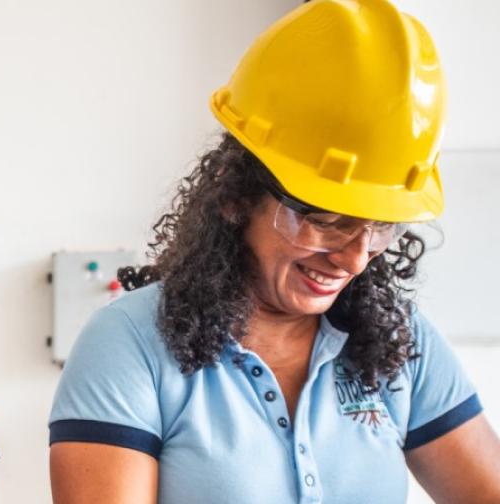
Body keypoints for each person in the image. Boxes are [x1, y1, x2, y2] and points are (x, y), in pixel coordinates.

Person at [48, 0, 500, 502]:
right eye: (327, 222)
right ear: (236, 195)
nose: (353, 259)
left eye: (379, 227)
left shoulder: (396, 339)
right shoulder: (129, 345)